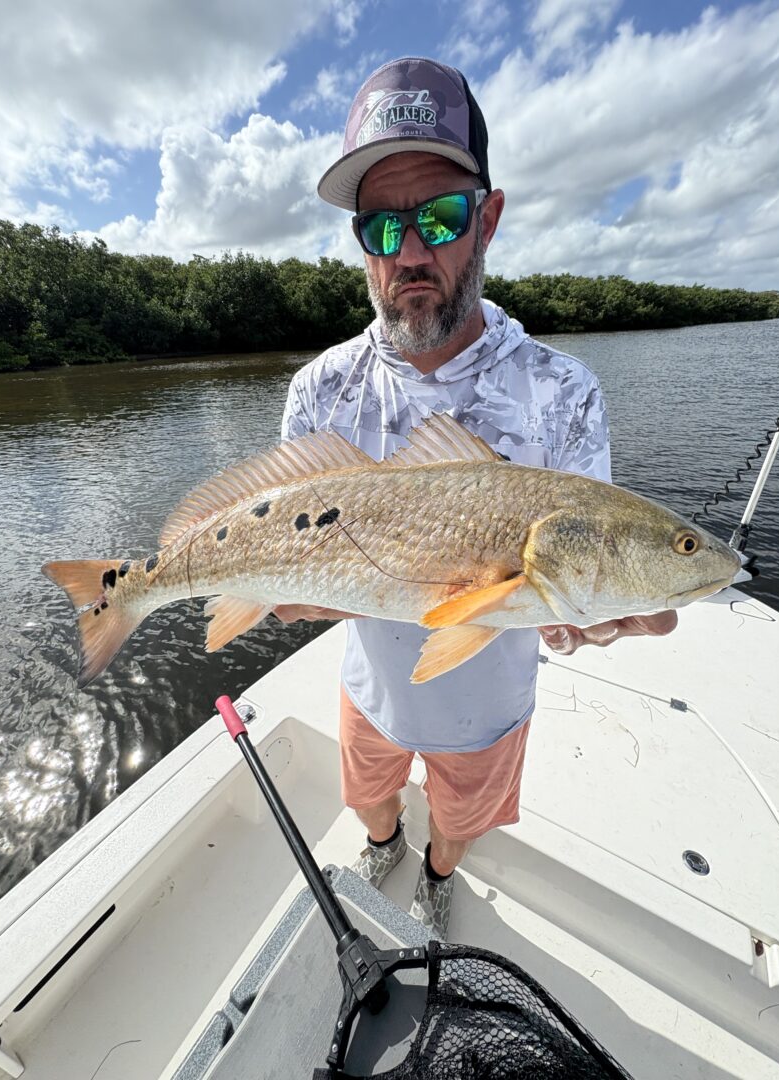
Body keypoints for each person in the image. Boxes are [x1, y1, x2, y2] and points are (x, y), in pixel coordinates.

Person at [275, 57, 676, 939]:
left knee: (457, 825)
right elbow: (290, 559)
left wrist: (587, 617)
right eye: (382, 227)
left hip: (488, 711)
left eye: (440, 218)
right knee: (369, 799)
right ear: (361, 242)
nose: (410, 253)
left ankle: (437, 871)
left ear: (487, 220)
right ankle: (384, 843)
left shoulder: (564, 394)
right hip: (371, 690)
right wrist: (278, 591)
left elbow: (575, 576)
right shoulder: (319, 392)